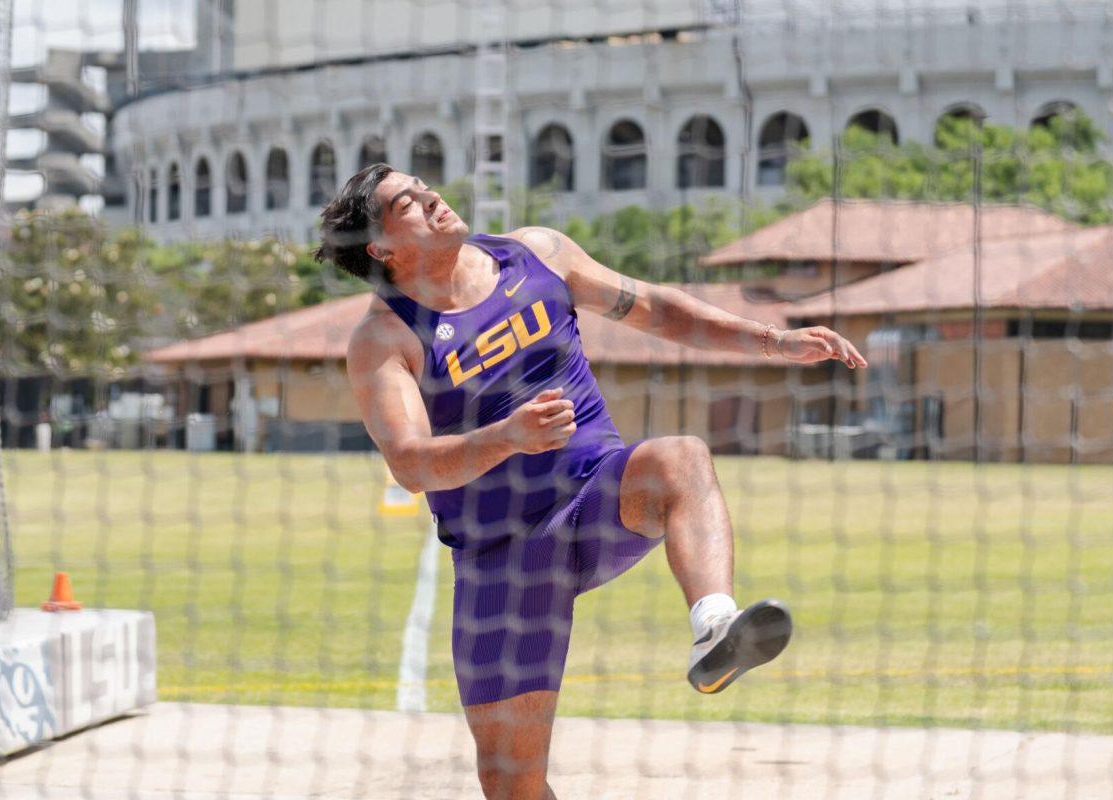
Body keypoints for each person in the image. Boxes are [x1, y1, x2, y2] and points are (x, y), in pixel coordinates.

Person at [315, 164, 868, 800]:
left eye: (423, 186)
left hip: (593, 499)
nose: (431, 197)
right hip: (502, 557)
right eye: (406, 203)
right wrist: (506, 437)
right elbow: (409, 465)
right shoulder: (385, 337)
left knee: (679, 458)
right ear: (381, 248)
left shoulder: (536, 254)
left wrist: (771, 341)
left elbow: (655, 307)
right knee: (509, 781)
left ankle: (715, 625)